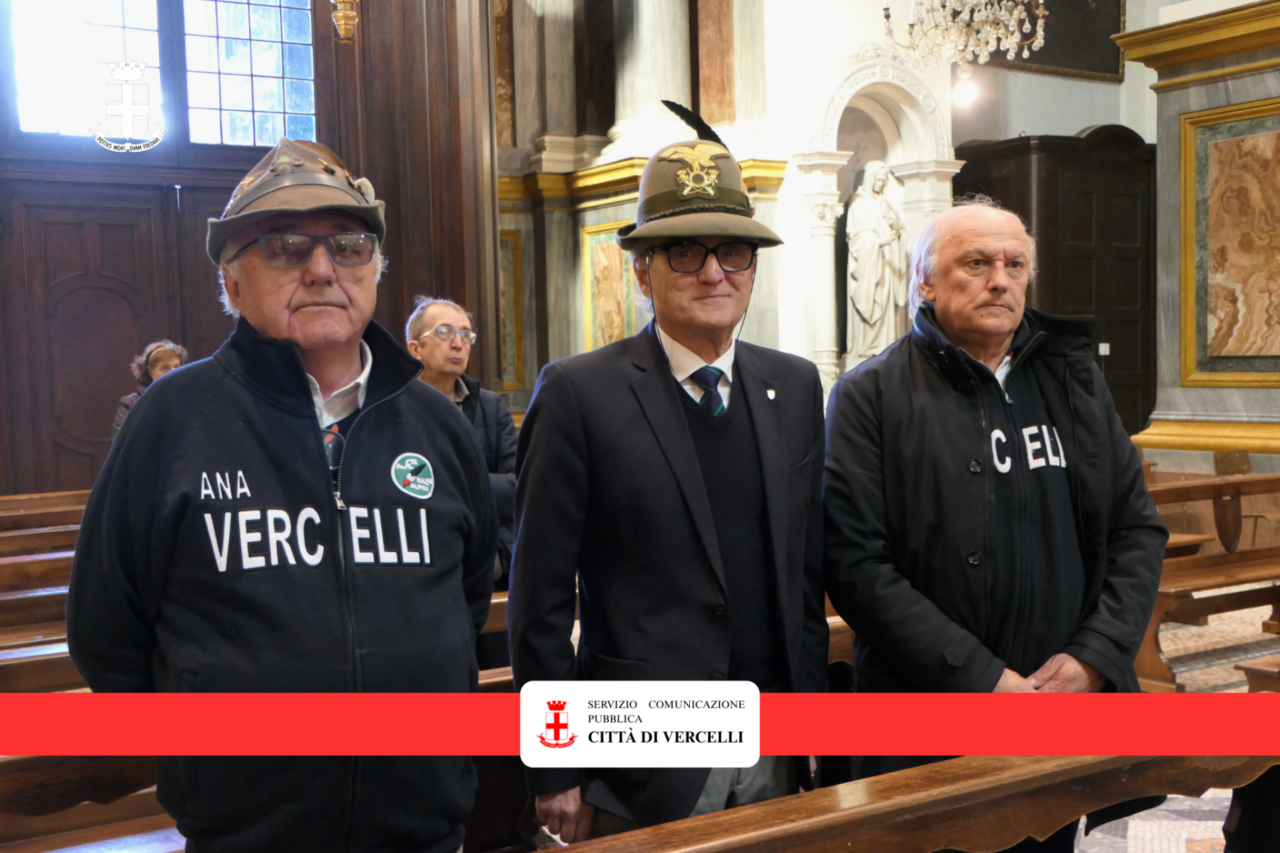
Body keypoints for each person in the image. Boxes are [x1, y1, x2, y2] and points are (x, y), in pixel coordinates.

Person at [68, 138, 497, 853]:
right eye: (286, 245)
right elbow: (107, 633)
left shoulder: (435, 423)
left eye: (349, 246)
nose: (323, 269)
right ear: (233, 283)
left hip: (423, 829)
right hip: (244, 836)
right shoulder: (172, 420)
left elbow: (468, 596)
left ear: (375, 272)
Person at [509, 109, 828, 843]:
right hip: (642, 754)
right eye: (685, 252)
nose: (714, 272)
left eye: (734, 252)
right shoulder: (580, 391)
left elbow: (803, 575)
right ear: (640, 270)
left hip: (775, 739)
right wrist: (555, 763)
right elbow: (540, 596)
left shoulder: (793, 385)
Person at [823, 197, 1167, 852]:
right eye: (976, 263)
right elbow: (856, 565)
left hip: (1059, 708)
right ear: (924, 281)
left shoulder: (1074, 383)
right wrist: (983, 679)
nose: (999, 280)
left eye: (1015, 265)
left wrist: (1093, 657)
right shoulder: (871, 395)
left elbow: (1137, 529)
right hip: (923, 720)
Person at [405, 296, 517, 591]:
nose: (458, 344)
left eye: (466, 336)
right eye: (444, 332)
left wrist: (446, 482)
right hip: (419, 561)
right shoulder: (393, 407)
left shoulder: (490, 407)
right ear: (415, 348)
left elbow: (519, 485)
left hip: (488, 563)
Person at [845, 161, 907, 361]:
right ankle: (868, 346)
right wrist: (878, 242)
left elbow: (897, 227)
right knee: (873, 300)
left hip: (887, 262)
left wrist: (895, 226)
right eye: (878, 180)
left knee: (886, 300)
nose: (881, 184)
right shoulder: (859, 201)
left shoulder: (883, 202)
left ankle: (885, 344)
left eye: (883, 181)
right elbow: (856, 234)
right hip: (869, 263)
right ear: (870, 178)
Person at [112, 339, 188, 437]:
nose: (173, 372)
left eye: (177, 367)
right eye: (165, 368)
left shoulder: (189, 400)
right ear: (150, 371)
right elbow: (123, 443)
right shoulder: (130, 404)